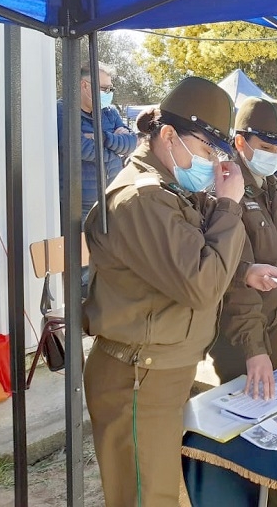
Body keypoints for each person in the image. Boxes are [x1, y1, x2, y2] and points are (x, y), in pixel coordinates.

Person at [82, 77, 246, 507]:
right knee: (144, 497)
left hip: (159, 367)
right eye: (208, 149)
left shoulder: (171, 189)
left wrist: (246, 273)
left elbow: (197, 260)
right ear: (169, 136)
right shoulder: (142, 197)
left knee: (157, 490)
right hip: (138, 375)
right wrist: (229, 206)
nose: (213, 163)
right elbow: (202, 283)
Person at [210, 97, 277, 400]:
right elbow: (233, 279)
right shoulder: (225, 189)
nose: (275, 156)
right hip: (240, 330)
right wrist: (253, 348)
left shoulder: (273, 184)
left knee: (267, 403)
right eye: (266, 148)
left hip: (273, 320)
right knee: (243, 410)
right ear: (240, 142)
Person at [57, 62, 137, 222]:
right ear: (84, 85)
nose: (108, 93)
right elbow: (79, 149)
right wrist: (115, 148)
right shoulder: (62, 111)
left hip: (112, 200)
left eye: (110, 89)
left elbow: (131, 143)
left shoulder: (110, 112)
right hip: (79, 207)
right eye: (104, 88)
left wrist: (102, 137)